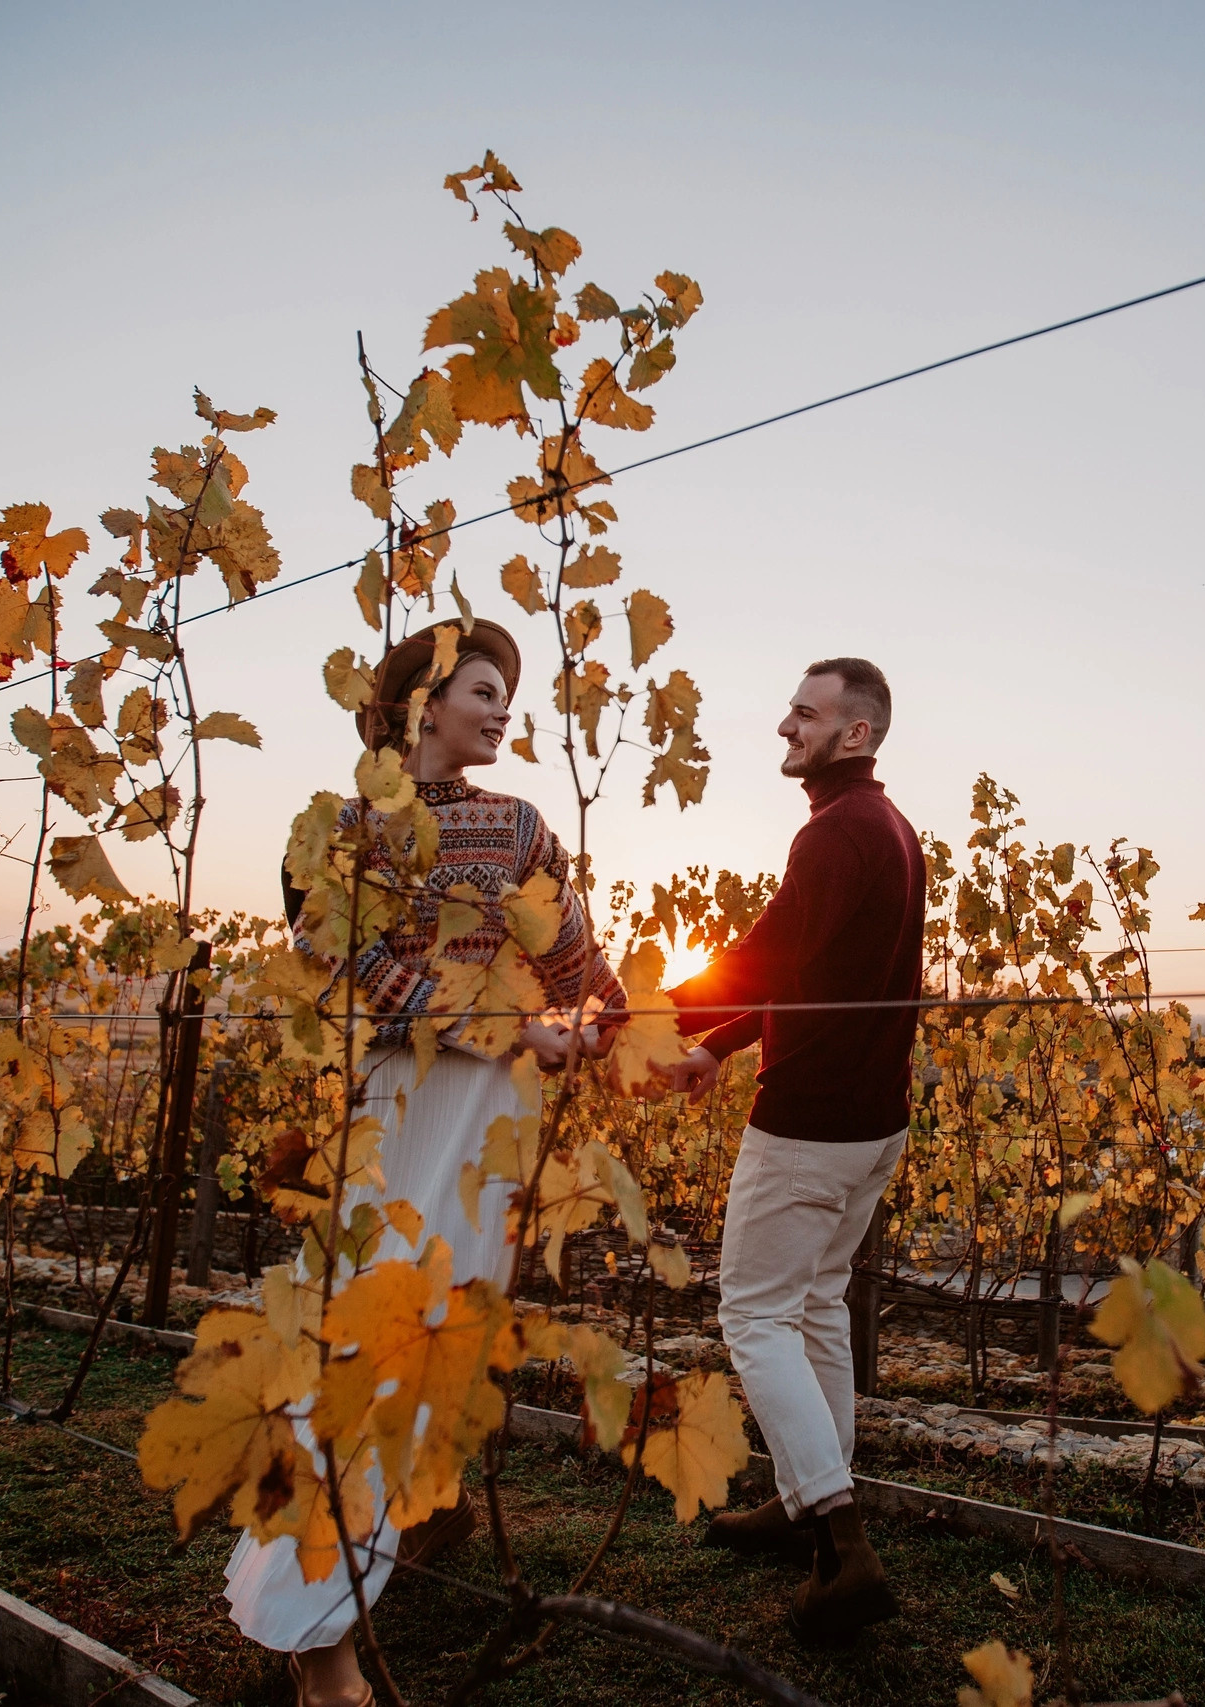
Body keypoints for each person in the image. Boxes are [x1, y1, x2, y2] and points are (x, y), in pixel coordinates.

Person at [228, 617, 621, 1707]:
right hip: (402, 1102)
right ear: (424, 706)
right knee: (361, 1350)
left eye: (509, 693)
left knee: (438, 1353)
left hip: (491, 1123)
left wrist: (635, 1039)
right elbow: (344, 960)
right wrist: (506, 1031)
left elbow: (584, 965)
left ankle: (367, 1574)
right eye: (485, 690)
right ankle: (323, 1647)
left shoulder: (524, 825)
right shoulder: (350, 829)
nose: (504, 710)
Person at [662, 657, 924, 1639]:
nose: (785, 726)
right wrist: (719, 1046)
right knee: (814, 1308)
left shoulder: (834, 835)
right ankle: (803, 1498)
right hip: (872, 1125)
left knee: (756, 1317)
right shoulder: (887, 829)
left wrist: (658, 1018)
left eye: (806, 715)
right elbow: (817, 974)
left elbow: (769, 953)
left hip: (810, 1124)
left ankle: (842, 1541)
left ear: (854, 734)